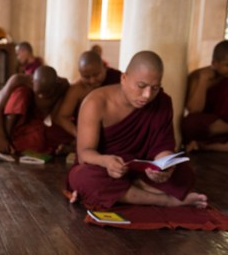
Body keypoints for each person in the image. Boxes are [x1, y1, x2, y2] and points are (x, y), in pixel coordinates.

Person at [68, 51, 208, 209]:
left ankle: (133, 189)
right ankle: (164, 200)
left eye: (155, 88)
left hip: (143, 169)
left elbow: (163, 146)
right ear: (124, 78)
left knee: (185, 174)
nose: (147, 95)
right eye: (141, 86)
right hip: (105, 169)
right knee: (84, 178)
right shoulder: (95, 102)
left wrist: (164, 167)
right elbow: (84, 153)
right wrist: (106, 161)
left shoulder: (162, 102)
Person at [0, 66, 69, 155]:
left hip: (27, 124)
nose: (42, 96)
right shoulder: (19, 80)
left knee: (40, 139)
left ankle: (3, 145)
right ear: (32, 81)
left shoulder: (63, 86)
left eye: (47, 94)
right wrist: (2, 138)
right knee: (21, 93)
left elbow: (56, 118)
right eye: (39, 93)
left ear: (56, 86)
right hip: (3, 122)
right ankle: (0, 141)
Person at [53, 50, 122, 152]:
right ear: (80, 73)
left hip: (116, 132)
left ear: (104, 67)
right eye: (86, 77)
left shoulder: (118, 79)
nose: (92, 80)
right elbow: (62, 117)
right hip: (89, 132)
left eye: (96, 75)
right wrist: (81, 135)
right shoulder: (77, 89)